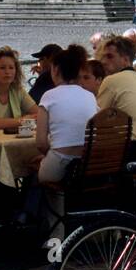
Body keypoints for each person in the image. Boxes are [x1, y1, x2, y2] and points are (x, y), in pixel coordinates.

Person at [35, 45, 99, 187]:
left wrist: (51, 154)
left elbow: (40, 142)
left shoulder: (49, 96)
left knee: (33, 171)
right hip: (85, 164)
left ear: (56, 70)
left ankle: (34, 209)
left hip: (59, 162)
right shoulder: (90, 96)